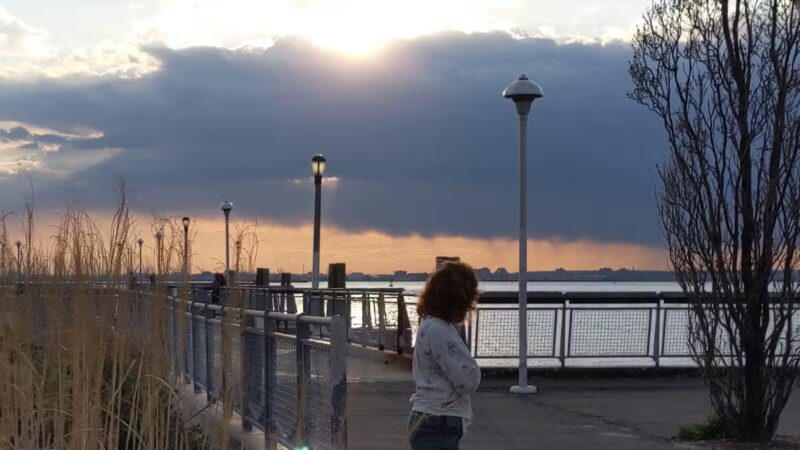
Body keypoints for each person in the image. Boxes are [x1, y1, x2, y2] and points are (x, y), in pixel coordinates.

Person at [408, 261, 481, 450]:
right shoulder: (440, 332)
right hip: (439, 418)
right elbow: (467, 379)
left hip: (429, 416)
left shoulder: (430, 325)